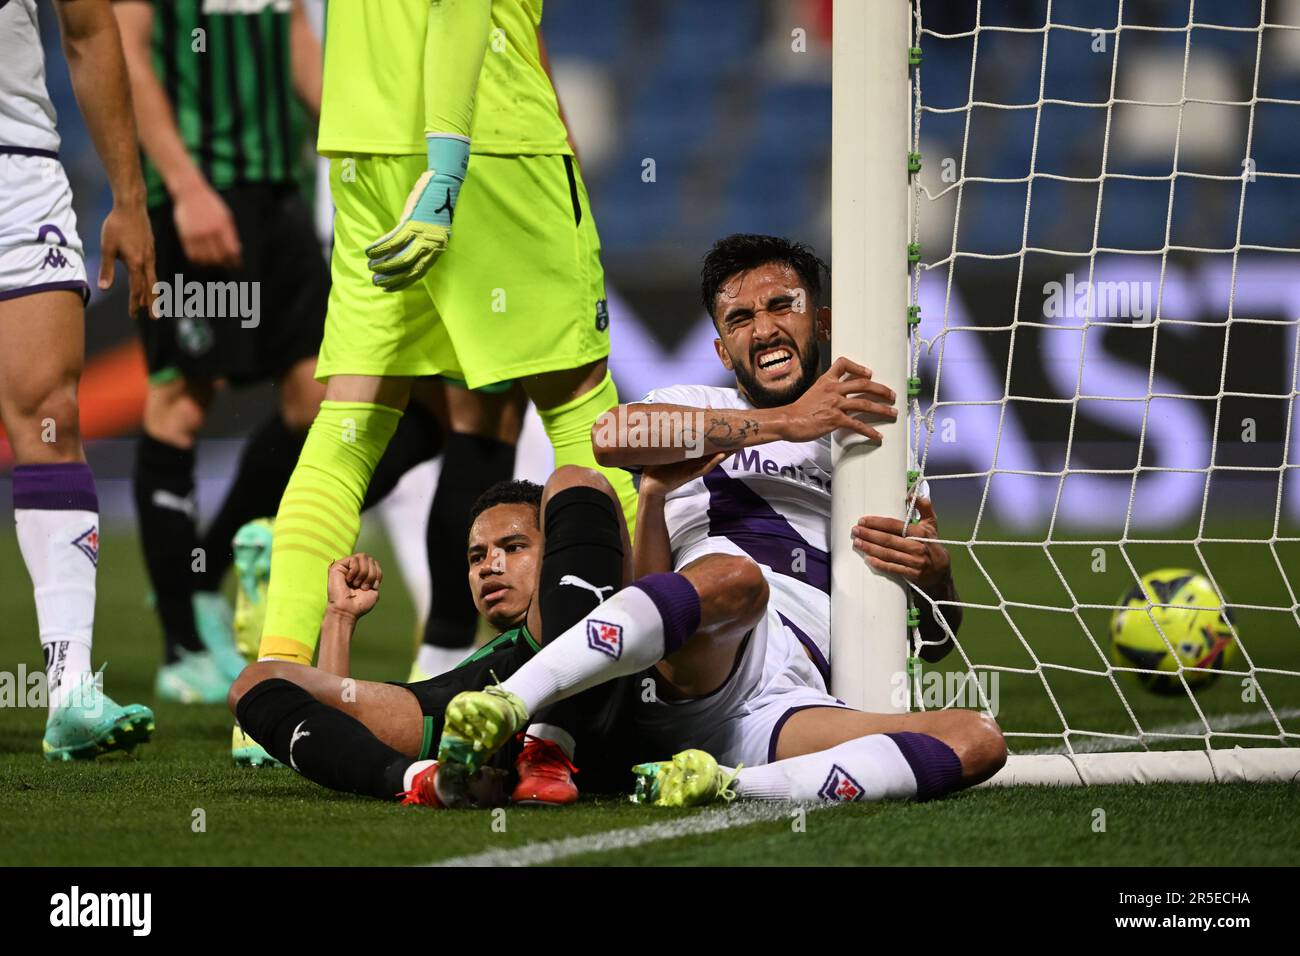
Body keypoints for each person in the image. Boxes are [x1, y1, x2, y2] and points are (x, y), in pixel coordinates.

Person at [435, 234, 1007, 805]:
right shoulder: (694, 406)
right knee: (738, 578)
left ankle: (722, 783)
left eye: (783, 306)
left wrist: (936, 580)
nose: (763, 329)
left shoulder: (880, 448)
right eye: (740, 319)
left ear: (823, 321)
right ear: (722, 351)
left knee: (977, 740)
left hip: (791, 696)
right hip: (695, 661)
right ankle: (511, 702)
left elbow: (933, 644)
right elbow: (611, 437)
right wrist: (788, 421)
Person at [254, 0, 638, 679]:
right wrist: (448, 167)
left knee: (350, 426)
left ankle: (271, 687)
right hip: (488, 143)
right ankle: (638, 666)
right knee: (582, 410)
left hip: (364, 146)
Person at [111, 0, 329, 702]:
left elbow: (297, 35)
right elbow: (127, 56)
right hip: (194, 198)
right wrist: (184, 186)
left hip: (280, 195)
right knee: (179, 403)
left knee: (315, 402)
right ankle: (180, 646)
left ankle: (204, 571)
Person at [227, 468, 641, 806]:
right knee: (254, 681)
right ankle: (425, 780)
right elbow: (337, 710)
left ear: (554, 552)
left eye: (513, 547)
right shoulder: (489, 658)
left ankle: (550, 744)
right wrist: (339, 617)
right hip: (452, 720)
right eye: (476, 556)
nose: (489, 567)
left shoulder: (580, 619)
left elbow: (587, 491)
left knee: (574, 479)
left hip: (537, 702)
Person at [1, 0, 156, 759]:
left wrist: (129, 198)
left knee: (52, 412)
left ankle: (68, 691)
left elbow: (90, 27)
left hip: (19, 170)